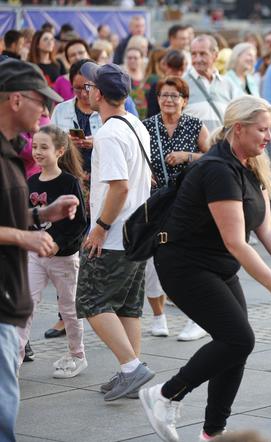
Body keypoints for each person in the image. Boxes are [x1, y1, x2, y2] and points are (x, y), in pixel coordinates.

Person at [139, 95, 271, 441]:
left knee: (235, 343)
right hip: (184, 265)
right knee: (239, 339)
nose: (267, 137)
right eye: (262, 130)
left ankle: (213, 433)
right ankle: (165, 395)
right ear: (238, 129)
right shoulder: (218, 169)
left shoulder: (249, 165)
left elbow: (266, 229)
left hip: (215, 265)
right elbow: (236, 242)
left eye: (269, 130)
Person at [0, 58, 79, 442]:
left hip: (9, 302)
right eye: (40, 101)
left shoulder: (15, 151)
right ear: (16, 100)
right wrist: (25, 237)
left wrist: (41, 213)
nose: (47, 111)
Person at [76, 61, 154, 401]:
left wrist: (100, 228)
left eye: (90, 87)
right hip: (138, 232)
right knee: (128, 307)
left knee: (92, 303)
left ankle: (131, 368)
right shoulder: (134, 124)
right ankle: (129, 372)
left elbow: (119, 187)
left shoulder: (109, 134)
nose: (87, 92)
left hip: (114, 235)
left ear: (100, 93)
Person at [141, 76, 209, 340]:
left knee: (187, 260)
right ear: (157, 99)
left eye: (174, 95)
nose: (168, 100)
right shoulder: (147, 127)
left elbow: (213, 156)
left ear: (185, 100)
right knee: (152, 261)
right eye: (164, 95)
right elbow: (136, 158)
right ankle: (158, 319)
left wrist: (186, 156)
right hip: (156, 202)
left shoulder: (195, 126)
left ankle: (196, 319)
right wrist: (144, 173)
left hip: (189, 202)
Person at [17, 125, 88, 377]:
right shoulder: (30, 182)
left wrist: (57, 243)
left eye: (43, 147)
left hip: (64, 258)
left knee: (69, 309)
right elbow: (23, 218)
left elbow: (79, 223)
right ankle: (15, 358)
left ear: (60, 151)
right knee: (26, 305)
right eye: (34, 146)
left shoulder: (70, 183)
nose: (37, 151)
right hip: (34, 257)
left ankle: (77, 354)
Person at [183, 35, 226, 131]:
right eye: (194, 54)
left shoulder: (228, 84)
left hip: (221, 144)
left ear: (215, 55)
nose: (198, 59)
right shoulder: (181, 84)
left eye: (203, 54)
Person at [146, 50, 186, 119]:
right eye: (173, 68)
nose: (177, 73)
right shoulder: (156, 86)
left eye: (180, 69)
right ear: (164, 65)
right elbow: (152, 114)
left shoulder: (185, 87)